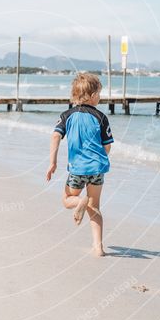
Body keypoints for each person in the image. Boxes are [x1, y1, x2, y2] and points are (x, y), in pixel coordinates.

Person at [46, 73, 114, 257]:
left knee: (67, 199)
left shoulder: (67, 115)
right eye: (99, 93)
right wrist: (99, 159)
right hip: (97, 169)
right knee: (95, 207)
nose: (100, 97)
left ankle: (80, 201)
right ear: (92, 96)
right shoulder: (101, 117)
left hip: (77, 169)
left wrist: (53, 162)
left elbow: (55, 136)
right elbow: (107, 145)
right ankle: (98, 247)